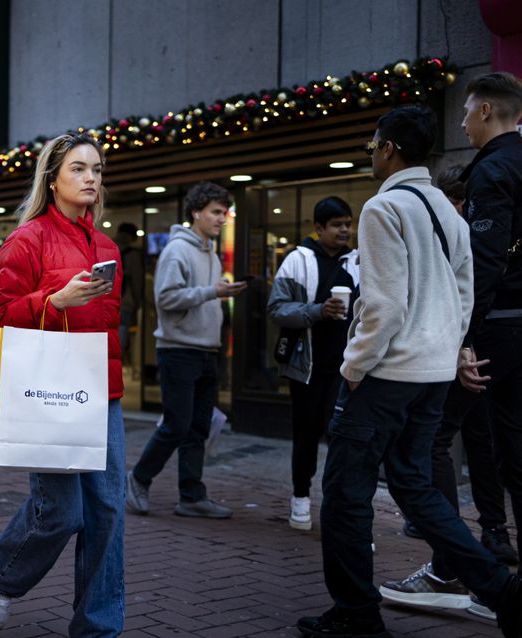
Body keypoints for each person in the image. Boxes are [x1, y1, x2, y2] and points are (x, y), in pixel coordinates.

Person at [297, 105, 522, 638]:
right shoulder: (447, 211)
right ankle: (501, 590)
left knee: (347, 494)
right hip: (434, 372)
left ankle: (356, 612)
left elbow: (383, 305)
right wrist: (452, 349)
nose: (370, 154)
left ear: (390, 148)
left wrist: (354, 367)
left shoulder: (384, 207)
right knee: (416, 486)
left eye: (373, 145)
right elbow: (466, 294)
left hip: (388, 373)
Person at [379, 73, 522, 611]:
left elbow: (486, 263)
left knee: (434, 437)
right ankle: (500, 576)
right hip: (517, 327)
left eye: (465, 112)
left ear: (486, 110)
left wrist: (463, 337)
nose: (461, 121)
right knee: (513, 450)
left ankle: (448, 571)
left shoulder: (494, 169)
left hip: (495, 325)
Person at [0, 133, 124, 636]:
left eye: (97, 170)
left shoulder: (106, 246)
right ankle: (3, 571)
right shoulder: (28, 238)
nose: (90, 178)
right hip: (47, 391)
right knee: (62, 513)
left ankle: (98, 627)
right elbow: (0, 314)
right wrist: (54, 302)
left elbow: (110, 323)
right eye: (79, 168)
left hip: (101, 392)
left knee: (107, 513)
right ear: (53, 177)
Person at [125, 182, 247, 520]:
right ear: (196, 212)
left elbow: (200, 294)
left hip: (207, 350)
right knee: (176, 426)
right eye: (216, 212)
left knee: (198, 428)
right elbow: (165, 299)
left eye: (225, 213)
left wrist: (215, 294)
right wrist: (212, 292)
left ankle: (192, 496)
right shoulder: (177, 250)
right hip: (178, 350)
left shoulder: (209, 249)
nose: (223, 219)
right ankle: (137, 478)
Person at [268, 197, 359, 531]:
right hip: (305, 366)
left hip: (347, 367)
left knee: (342, 439)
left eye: (348, 224)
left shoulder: (358, 262)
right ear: (319, 228)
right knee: (305, 435)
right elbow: (276, 308)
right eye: (337, 224)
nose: (345, 230)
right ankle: (300, 498)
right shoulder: (297, 260)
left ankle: (339, 509)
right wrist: (318, 311)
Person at [114, 222, 143, 372]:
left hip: (106, 301)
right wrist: (138, 303)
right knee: (121, 333)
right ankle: (115, 366)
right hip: (125, 302)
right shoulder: (133, 255)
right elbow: (137, 282)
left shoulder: (106, 247)